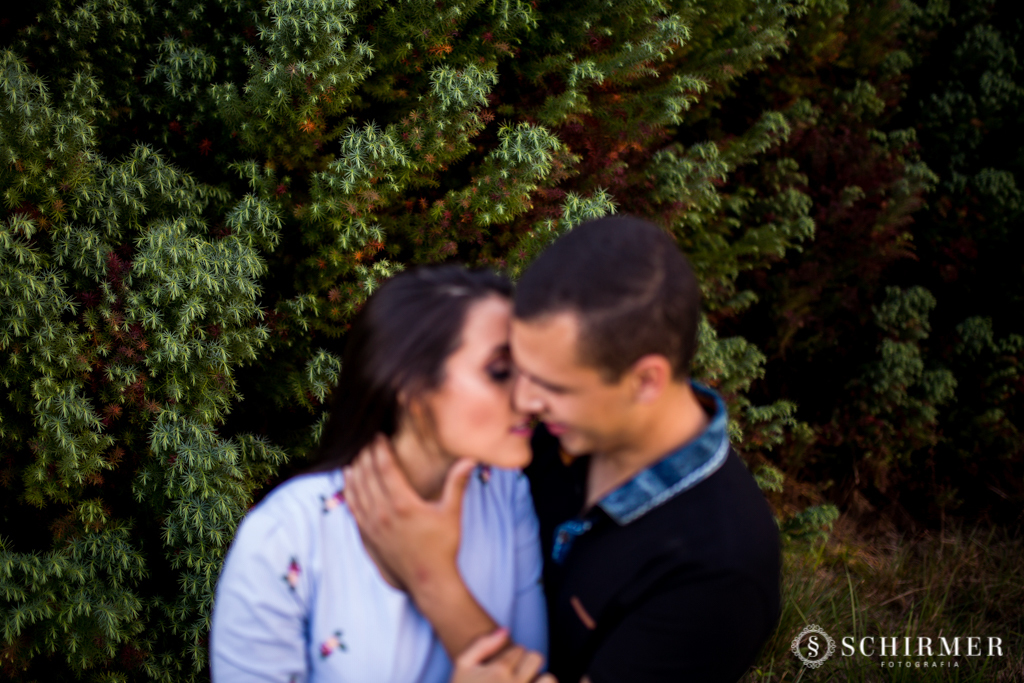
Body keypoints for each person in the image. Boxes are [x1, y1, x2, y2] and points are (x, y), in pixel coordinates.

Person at [344, 215, 782, 683]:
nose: (523, 400)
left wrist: (431, 578)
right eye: (516, 368)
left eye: (553, 385)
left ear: (645, 381)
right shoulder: (547, 434)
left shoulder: (722, 570)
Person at [210, 265, 551, 683]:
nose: (532, 397)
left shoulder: (504, 493)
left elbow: (533, 670)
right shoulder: (283, 537)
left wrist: (434, 578)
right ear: (410, 386)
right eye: (500, 371)